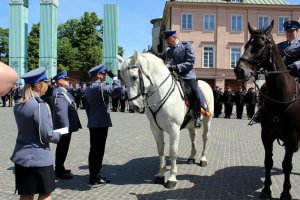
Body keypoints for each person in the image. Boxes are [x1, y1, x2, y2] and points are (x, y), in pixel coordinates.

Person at [10, 67, 62, 200]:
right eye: (46, 82)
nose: (47, 85)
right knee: (45, 194)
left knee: (26, 194)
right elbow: (46, 135)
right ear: (39, 85)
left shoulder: (19, 104)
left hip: (21, 156)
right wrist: (59, 134)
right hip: (39, 157)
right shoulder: (40, 105)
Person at [160, 30, 210, 127]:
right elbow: (162, 60)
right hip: (174, 76)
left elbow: (190, 62)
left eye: (168, 40)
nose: (167, 42)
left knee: (194, 91)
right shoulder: (168, 51)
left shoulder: (186, 45)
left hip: (187, 75)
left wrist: (175, 67)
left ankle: (197, 116)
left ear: (174, 38)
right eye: (166, 40)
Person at [85, 64, 118, 185]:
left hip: (94, 122)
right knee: (98, 151)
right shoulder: (99, 87)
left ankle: (94, 175)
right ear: (98, 75)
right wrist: (115, 78)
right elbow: (116, 91)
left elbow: (87, 108)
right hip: (101, 124)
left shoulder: (89, 87)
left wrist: (92, 119)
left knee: (94, 150)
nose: (105, 76)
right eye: (103, 74)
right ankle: (95, 177)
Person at [51, 71, 82, 179]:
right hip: (64, 128)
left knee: (64, 148)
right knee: (62, 148)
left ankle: (61, 166)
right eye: (66, 79)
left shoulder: (63, 91)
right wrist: (65, 128)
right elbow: (61, 112)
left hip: (66, 127)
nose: (68, 80)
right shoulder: (59, 93)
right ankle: (59, 170)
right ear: (60, 81)